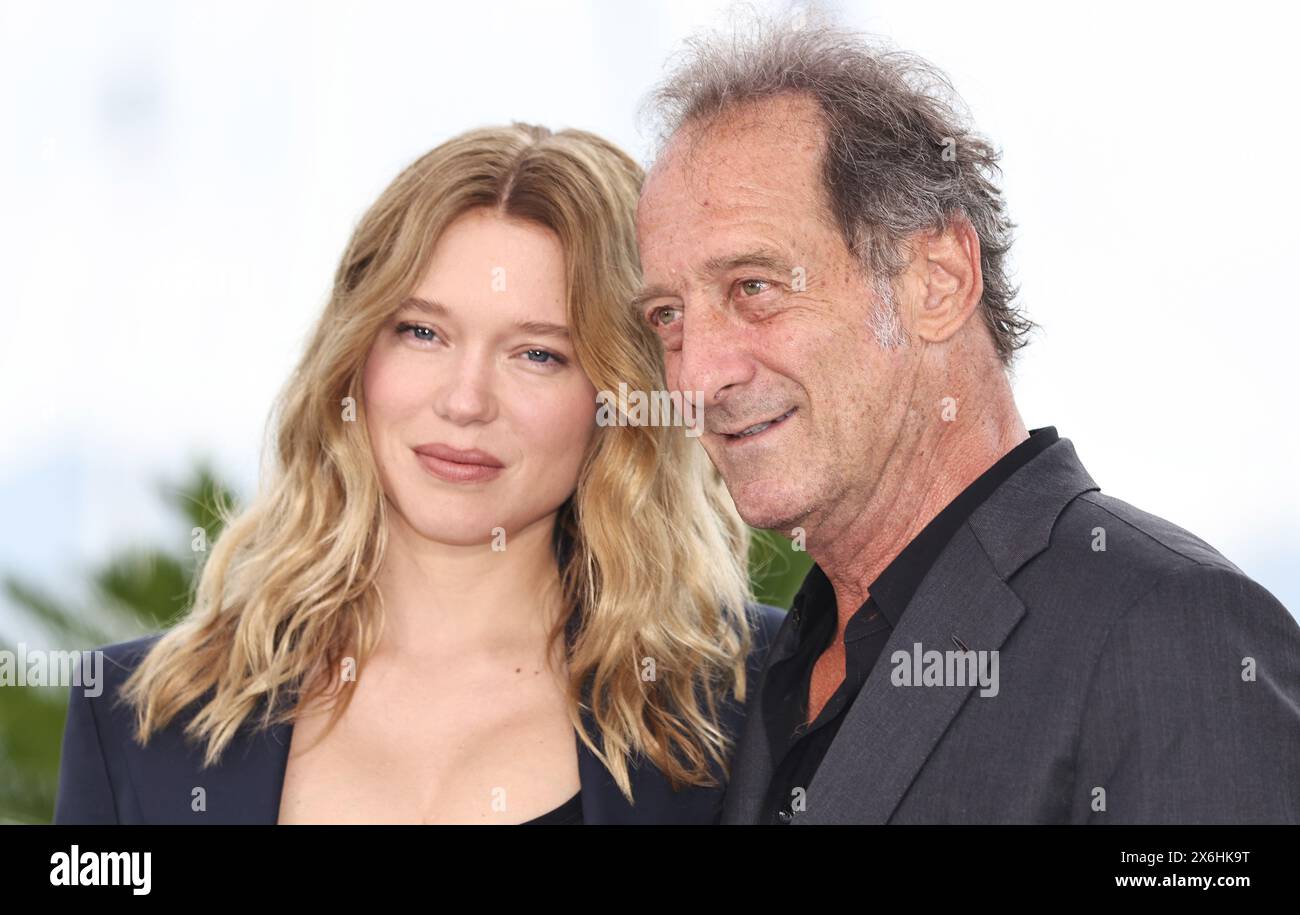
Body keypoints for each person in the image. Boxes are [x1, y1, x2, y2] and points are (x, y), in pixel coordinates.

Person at [633, 17, 1300, 824]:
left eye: (754, 287)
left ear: (939, 280)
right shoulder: (767, 670)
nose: (699, 372)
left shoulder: (1170, 635)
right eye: (668, 315)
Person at [54, 122, 784, 825]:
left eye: (537, 354)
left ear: (617, 396)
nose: (465, 401)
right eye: (423, 332)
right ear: (354, 354)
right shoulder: (138, 718)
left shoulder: (764, 698)